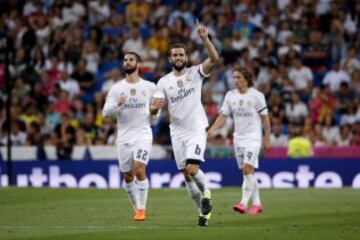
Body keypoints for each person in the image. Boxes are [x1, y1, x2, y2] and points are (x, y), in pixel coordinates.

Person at [150, 21, 219, 226]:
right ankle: (203, 213)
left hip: (196, 127)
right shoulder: (163, 82)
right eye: (175, 55)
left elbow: (214, 59)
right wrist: (154, 108)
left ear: (186, 57)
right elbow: (154, 111)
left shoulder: (195, 73)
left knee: (191, 169)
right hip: (177, 131)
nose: (178, 57)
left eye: (181, 54)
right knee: (186, 176)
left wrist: (205, 38)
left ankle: (206, 194)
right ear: (170, 58)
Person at [207, 66, 271, 215]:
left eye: (238, 77)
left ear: (247, 79)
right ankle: (257, 204)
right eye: (234, 77)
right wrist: (213, 129)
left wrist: (267, 137)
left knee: (247, 169)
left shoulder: (257, 95)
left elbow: (265, 118)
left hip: (253, 138)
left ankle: (243, 203)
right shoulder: (230, 95)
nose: (235, 80)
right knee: (248, 173)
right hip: (238, 139)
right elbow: (223, 116)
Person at [102, 52, 157, 221]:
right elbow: (105, 113)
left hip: (143, 133)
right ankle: (136, 208)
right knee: (127, 175)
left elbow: (156, 115)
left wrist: (154, 111)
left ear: (138, 64)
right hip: (124, 137)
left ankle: (141, 209)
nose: (127, 62)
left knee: (139, 169)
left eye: (131, 59)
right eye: (125, 60)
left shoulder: (150, 87)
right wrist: (118, 105)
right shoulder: (116, 88)